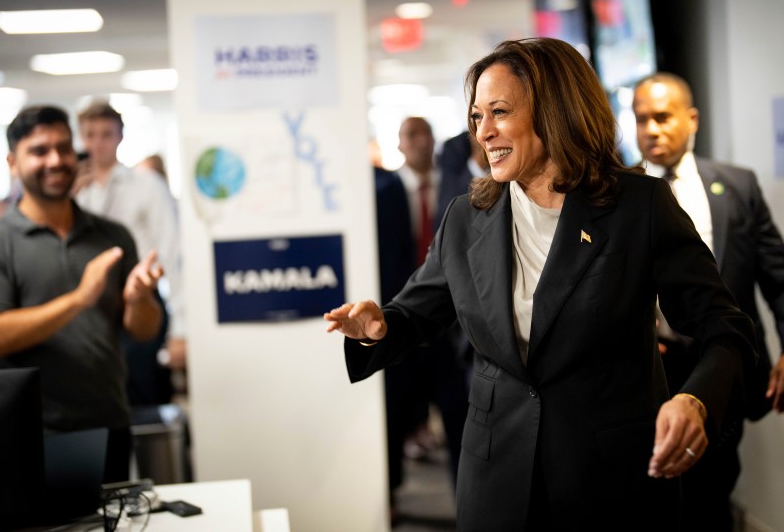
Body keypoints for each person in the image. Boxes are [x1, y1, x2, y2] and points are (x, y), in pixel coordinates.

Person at [324, 38, 756, 530]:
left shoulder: (640, 207)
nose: (483, 133)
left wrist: (694, 400)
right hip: (496, 481)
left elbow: (726, 329)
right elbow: (417, 312)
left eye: (499, 112)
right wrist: (377, 326)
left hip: (612, 484)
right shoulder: (468, 217)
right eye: (476, 117)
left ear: (554, 112)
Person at [633, 72, 784, 531]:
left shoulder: (737, 187)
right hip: (646, 371)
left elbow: (781, 278)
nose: (651, 130)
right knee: (649, 499)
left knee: (711, 498)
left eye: (661, 117)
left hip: (720, 366)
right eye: (640, 120)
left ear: (691, 119)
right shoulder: (617, 191)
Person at [0, 105, 164, 482]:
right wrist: (77, 300)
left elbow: (143, 331)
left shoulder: (112, 235)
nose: (55, 160)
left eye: (63, 148)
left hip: (108, 422)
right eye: (39, 151)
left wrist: (140, 300)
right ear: (12, 161)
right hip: (31, 433)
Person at [376, 117, 468, 519]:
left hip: (451, 327)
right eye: (409, 135)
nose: (418, 142)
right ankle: (390, 494)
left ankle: (467, 499)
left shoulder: (458, 187)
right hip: (402, 321)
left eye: (424, 134)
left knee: (459, 415)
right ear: (398, 145)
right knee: (394, 414)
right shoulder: (383, 192)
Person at [74, 102, 185, 405]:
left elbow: (172, 254)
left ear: (119, 137)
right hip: (90, 307)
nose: (98, 143)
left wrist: (180, 328)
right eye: (90, 135)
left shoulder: (146, 185)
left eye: (106, 134)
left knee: (139, 393)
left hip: (141, 299)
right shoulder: (74, 194)